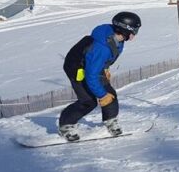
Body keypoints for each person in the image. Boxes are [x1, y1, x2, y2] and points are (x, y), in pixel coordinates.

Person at [58, 11, 141, 142]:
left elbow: (103, 58)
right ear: (124, 30)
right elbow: (91, 75)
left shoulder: (116, 38)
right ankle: (66, 125)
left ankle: (110, 121)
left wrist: (105, 68)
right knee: (88, 101)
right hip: (76, 68)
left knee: (110, 94)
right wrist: (101, 95)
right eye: (134, 31)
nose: (134, 35)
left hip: (93, 65)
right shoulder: (102, 47)